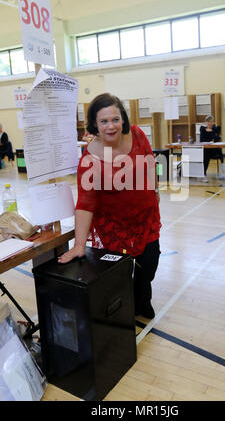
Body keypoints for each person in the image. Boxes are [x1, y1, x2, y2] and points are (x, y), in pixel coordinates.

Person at [59, 93, 161, 319]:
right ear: (94, 124)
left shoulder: (137, 134)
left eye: (115, 119)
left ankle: (142, 299)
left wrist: (155, 189)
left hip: (146, 218)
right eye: (103, 121)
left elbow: (150, 161)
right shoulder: (89, 159)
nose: (110, 126)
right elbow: (85, 203)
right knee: (118, 272)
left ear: (123, 119)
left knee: (150, 264)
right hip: (113, 225)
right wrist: (78, 245)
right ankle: (124, 308)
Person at [199, 115, 223, 182]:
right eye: (209, 122)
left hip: (214, 149)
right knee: (206, 155)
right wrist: (213, 134)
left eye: (212, 122)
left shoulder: (215, 128)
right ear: (206, 122)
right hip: (206, 149)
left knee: (220, 154)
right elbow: (203, 139)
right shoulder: (202, 129)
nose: (211, 123)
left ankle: (223, 173)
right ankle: (204, 174)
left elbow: (217, 137)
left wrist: (213, 133)